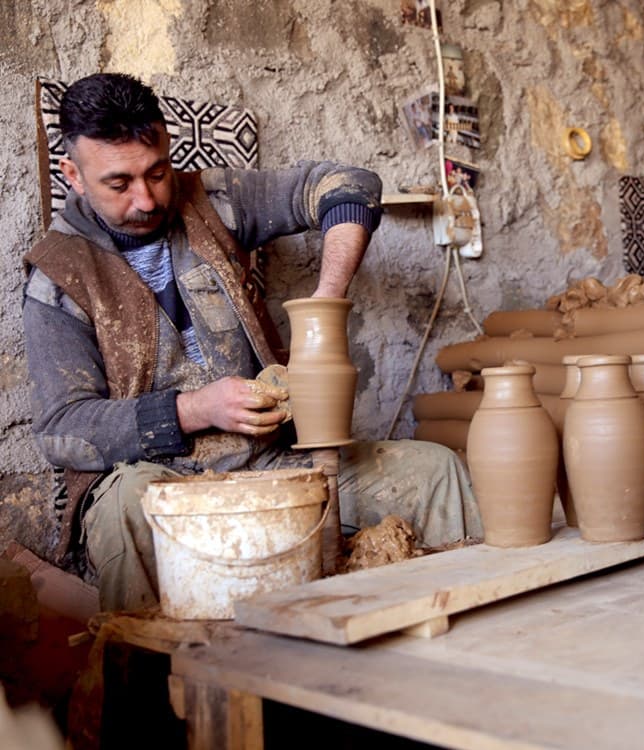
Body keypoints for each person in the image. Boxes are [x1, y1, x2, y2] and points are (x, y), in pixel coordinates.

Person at [22, 73, 482, 612]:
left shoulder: (212, 200)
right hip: (158, 480)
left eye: (157, 172)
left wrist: (327, 301)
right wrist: (195, 409)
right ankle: (164, 684)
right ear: (72, 174)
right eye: (119, 184)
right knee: (130, 507)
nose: (147, 198)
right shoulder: (57, 277)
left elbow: (349, 185)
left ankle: (460, 647)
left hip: (270, 464)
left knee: (435, 471)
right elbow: (61, 431)